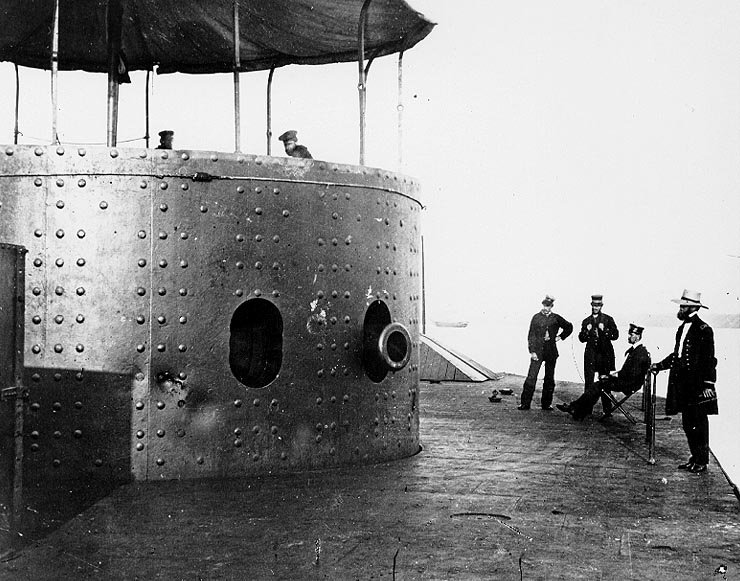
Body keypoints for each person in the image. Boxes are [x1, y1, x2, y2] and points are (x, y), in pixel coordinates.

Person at [651, 290, 717, 474]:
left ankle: (702, 460)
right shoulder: (682, 328)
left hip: (697, 385)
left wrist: (708, 384)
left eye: (683, 305)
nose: (680, 308)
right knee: (689, 423)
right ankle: (694, 457)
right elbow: (677, 356)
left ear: (693, 307)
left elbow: (709, 359)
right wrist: (659, 365)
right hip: (683, 385)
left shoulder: (704, 329)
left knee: (699, 423)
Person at [557, 323, 650, 420]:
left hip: (629, 384)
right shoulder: (638, 350)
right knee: (598, 385)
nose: (629, 337)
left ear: (638, 336)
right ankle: (578, 410)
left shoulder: (640, 352)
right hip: (628, 381)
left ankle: (576, 409)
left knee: (599, 385)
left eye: (631, 335)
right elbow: (629, 372)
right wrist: (610, 376)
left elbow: (632, 373)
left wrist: (611, 376)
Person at [519, 295, 573, 411]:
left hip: (551, 352)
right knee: (531, 377)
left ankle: (546, 404)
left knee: (549, 378)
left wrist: (560, 337)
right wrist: (532, 351)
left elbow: (569, 327)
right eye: (544, 305)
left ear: (552, 306)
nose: (545, 308)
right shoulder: (536, 318)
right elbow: (531, 335)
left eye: (548, 306)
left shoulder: (556, 318)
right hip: (537, 351)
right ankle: (525, 403)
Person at [578, 294, 619, 394]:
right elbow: (581, 339)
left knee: (605, 382)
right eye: (594, 305)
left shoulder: (608, 319)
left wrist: (604, 330)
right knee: (589, 382)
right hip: (590, 355)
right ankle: (587, 408)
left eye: (598, 305)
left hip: (604, 355)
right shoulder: (586, 321)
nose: (596, 307)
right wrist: (586, 332)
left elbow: (615, 336)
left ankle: (607, 409)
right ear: (591, 305)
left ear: (601, 306)